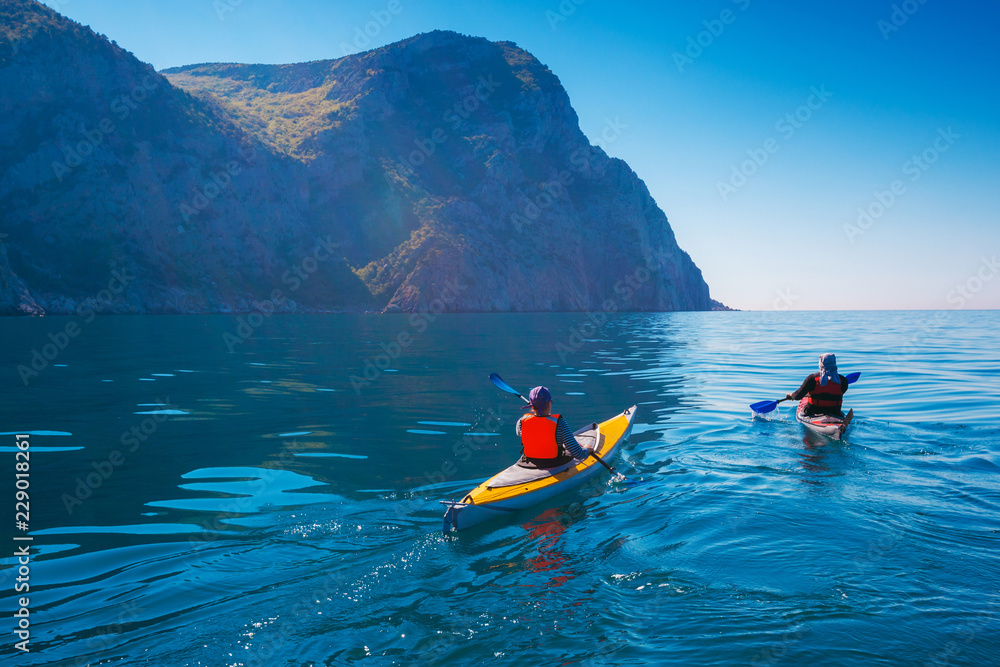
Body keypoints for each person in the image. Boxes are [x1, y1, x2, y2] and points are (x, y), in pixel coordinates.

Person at [516, 386, 592, 469]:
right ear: (550, 403)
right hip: (553, 463)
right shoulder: (559, 423)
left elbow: (520, 433)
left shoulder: (522, 421)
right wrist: (586, 450)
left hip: (529, 461)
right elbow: (578, 454)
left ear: (531, 406)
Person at [786, 353, 849, 417]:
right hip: (835, 412)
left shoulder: (812, 379)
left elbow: (797, 396)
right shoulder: (843, 380)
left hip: (812, 412)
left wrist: (791, 395)